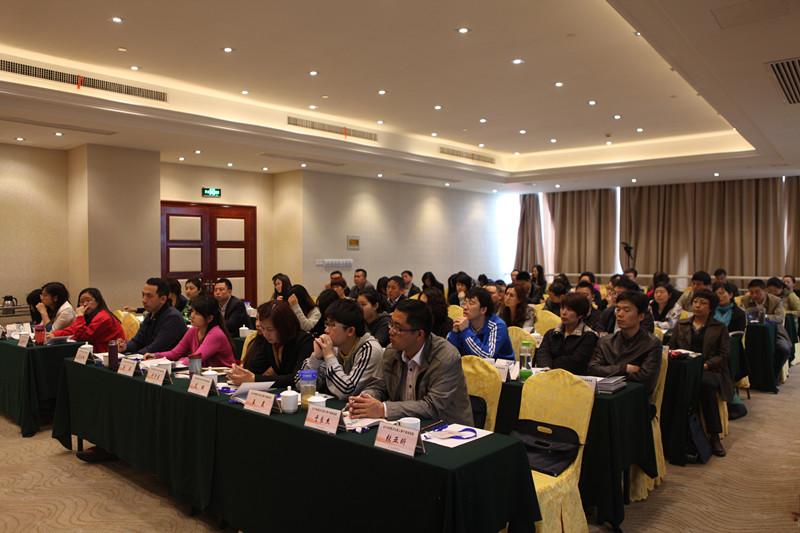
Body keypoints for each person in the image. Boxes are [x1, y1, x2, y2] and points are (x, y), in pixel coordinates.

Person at [348, 299, 473, 425]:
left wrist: (383, 409)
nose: (390, 331)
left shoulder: (446, 357)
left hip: (446, 428)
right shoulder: (392, 351)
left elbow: (433, 407)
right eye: (391, 324)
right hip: (403, 425)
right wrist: (364, 399)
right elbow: (379, 387)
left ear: (419, 335)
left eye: (397, 328)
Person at [669, 289, 733, 457]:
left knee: (705, 384)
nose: (697, 306)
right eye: (696, 302)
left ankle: (714, 435)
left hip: (710, 369)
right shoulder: (682, 324)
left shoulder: (719, 327)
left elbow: (724, 355)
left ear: (711, 308)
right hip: (685, 367)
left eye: (703, 303)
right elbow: (672, 347)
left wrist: (705, 365)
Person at [297, 299, 383, 400]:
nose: (326, 330)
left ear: (350, 331)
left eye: (332, 325)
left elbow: (347, 391)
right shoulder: (335, 347)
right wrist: (316, 357)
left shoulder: (369, 349)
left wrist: (329, 356)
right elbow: (300, 384)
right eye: (327, 323)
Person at [588, 291, 663, 401]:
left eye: (626, 310)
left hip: (634, 400)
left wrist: (608, 372)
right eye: (618, 309)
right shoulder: (606, 341)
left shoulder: (651, 344)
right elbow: (593, 369)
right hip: (604, 396)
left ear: (641, 316)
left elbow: (645, 379)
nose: (620, 314)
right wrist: (624, 368)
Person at [227, 300, 312, 388]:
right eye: (263, 328)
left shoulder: (304, 341)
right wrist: (241, 372)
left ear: (284, 326)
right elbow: (257, 367)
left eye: (270, 330)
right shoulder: (269, 341)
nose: (265, 334)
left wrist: (255, 379)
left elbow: (296, 378)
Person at [148, 295, 235, 367]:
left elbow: (195, 359)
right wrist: (156, 356)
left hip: (223, 376)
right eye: (193, 311)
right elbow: (175, 353)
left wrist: (180, 361)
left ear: (209, 318)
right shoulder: (193, 331)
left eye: (197, 314)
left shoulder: (215, 334)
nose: (192, 316)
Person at [740, 279, 793, 381]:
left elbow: (780, 318)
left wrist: (764, 316)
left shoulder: (775, 301)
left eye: (757, 292)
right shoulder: (746, 299)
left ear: (765, 291)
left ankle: (774, 376)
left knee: (784, 349)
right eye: (751, 292)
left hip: (775, 333)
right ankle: (753, 378)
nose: (754, 295)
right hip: (752, 334)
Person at [118, 278, 187, 355]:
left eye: (149, 296)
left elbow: (155, 349)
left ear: (163, 299)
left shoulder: (173, 317)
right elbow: (137, 341)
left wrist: (134, 356)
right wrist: (125, 346)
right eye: (143, 295)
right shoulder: (151, 314)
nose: (143, 300)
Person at [534, 293, 598, 375]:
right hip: (548, 375)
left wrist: (552, 365)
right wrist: (547, 368)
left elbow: (576, 361)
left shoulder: (588, 336)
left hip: (574, 378)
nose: (564, 312)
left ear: (580, 314)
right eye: (562, 308)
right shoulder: (551, 333)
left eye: (569, 309)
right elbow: (543, 354)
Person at [447, 287, 514, 360]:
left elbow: (487, 357)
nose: (465, 307)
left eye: (471, 303)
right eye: (465, 303)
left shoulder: (497, 325)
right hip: (472, 365)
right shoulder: (466, 323)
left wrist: (466, 331)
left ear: (483, 309)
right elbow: (449, 353)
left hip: (501, 366)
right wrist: (455, 333)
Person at [50, 288, 125, 352]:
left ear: (98, 301)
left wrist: (80, 316)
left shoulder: (103, 317)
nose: (85, 304)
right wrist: (54, 334)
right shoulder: (90, 315)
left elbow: (82, 337)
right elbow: (73, 329)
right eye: (81, 301)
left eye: (88, 300)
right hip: (95, 349)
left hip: (108, 352)